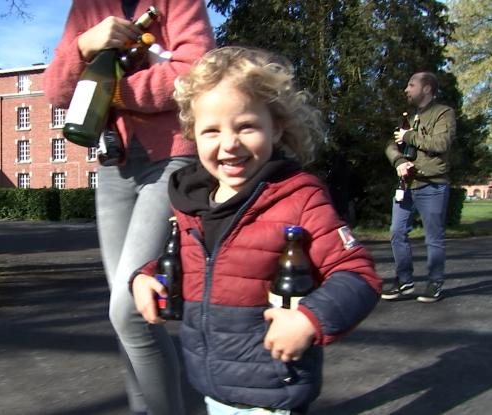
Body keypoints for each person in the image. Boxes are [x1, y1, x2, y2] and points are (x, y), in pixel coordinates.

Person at [131, 46, 382, 414]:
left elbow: (358, 276)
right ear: (193, 135)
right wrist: (144, 277)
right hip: (212, 385)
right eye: (211, 131)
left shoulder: (298, 198)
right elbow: (188, 262)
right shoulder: (193, 202)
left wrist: (309, 318)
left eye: (246, 126)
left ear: (276, 126)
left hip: (273, 389)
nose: (229, 144)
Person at [43, 1, 214, 414]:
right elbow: (56, 91)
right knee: (127, 316)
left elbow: (197, 72)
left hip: (172, 157)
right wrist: (84, 44)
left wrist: (115, 91)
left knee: (129, 312)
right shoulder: (87, 7)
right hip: (113, 166)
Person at [382, 71, 457, 303]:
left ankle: (435, 282)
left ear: (426, 89)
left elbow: (441, 143)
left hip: (432, 185)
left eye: (411, 84)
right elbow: (391, 145)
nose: (406, 89)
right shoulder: (408, 117)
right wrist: (399, 161)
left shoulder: (444, 113)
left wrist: (410, 136)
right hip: (406, 184)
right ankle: (404, 280)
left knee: (433, 238)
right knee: (396, 231)